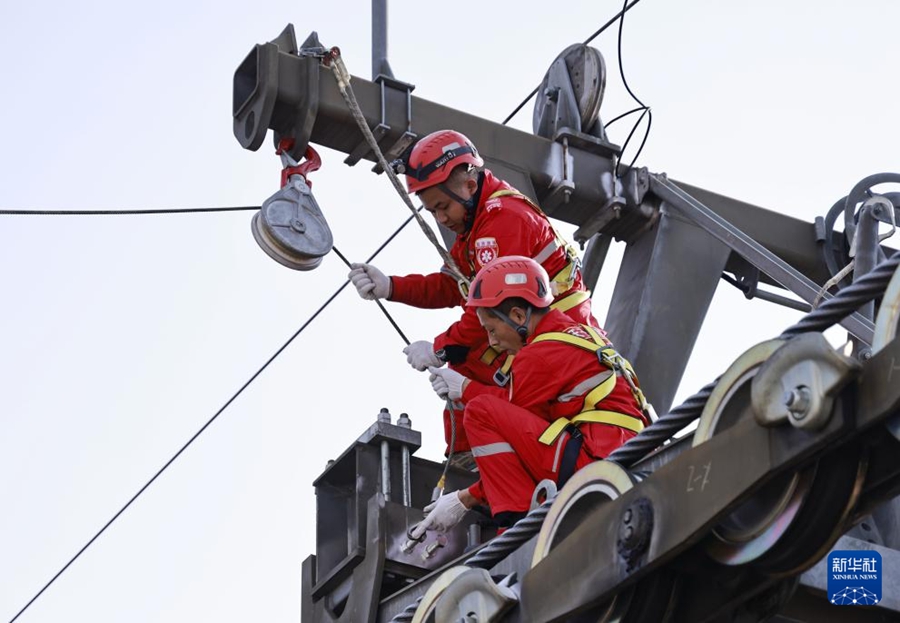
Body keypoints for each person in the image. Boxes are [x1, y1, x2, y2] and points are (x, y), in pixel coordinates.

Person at [348, 129, 597, 456]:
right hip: (541, 335)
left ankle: (474, 467)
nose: (441, 218)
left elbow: (490, 307)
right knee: (468, 371)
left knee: (470, 371)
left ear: (469, 186)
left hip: (557, 342)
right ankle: (468, 465)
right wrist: (391, 286)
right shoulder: (478, 224)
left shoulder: (502, 222)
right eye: (432, 211)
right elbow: (454, 285)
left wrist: (440, 349)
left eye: (442, 207)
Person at [409, 256, 650, 536]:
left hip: (595, 461)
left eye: (491, 329)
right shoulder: (579, 334)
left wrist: (464, 389)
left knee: (480, 411)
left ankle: (517, 529)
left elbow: (510, 431)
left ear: (518, 316)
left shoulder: (539, 355)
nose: (492, 342)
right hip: (619, 452)